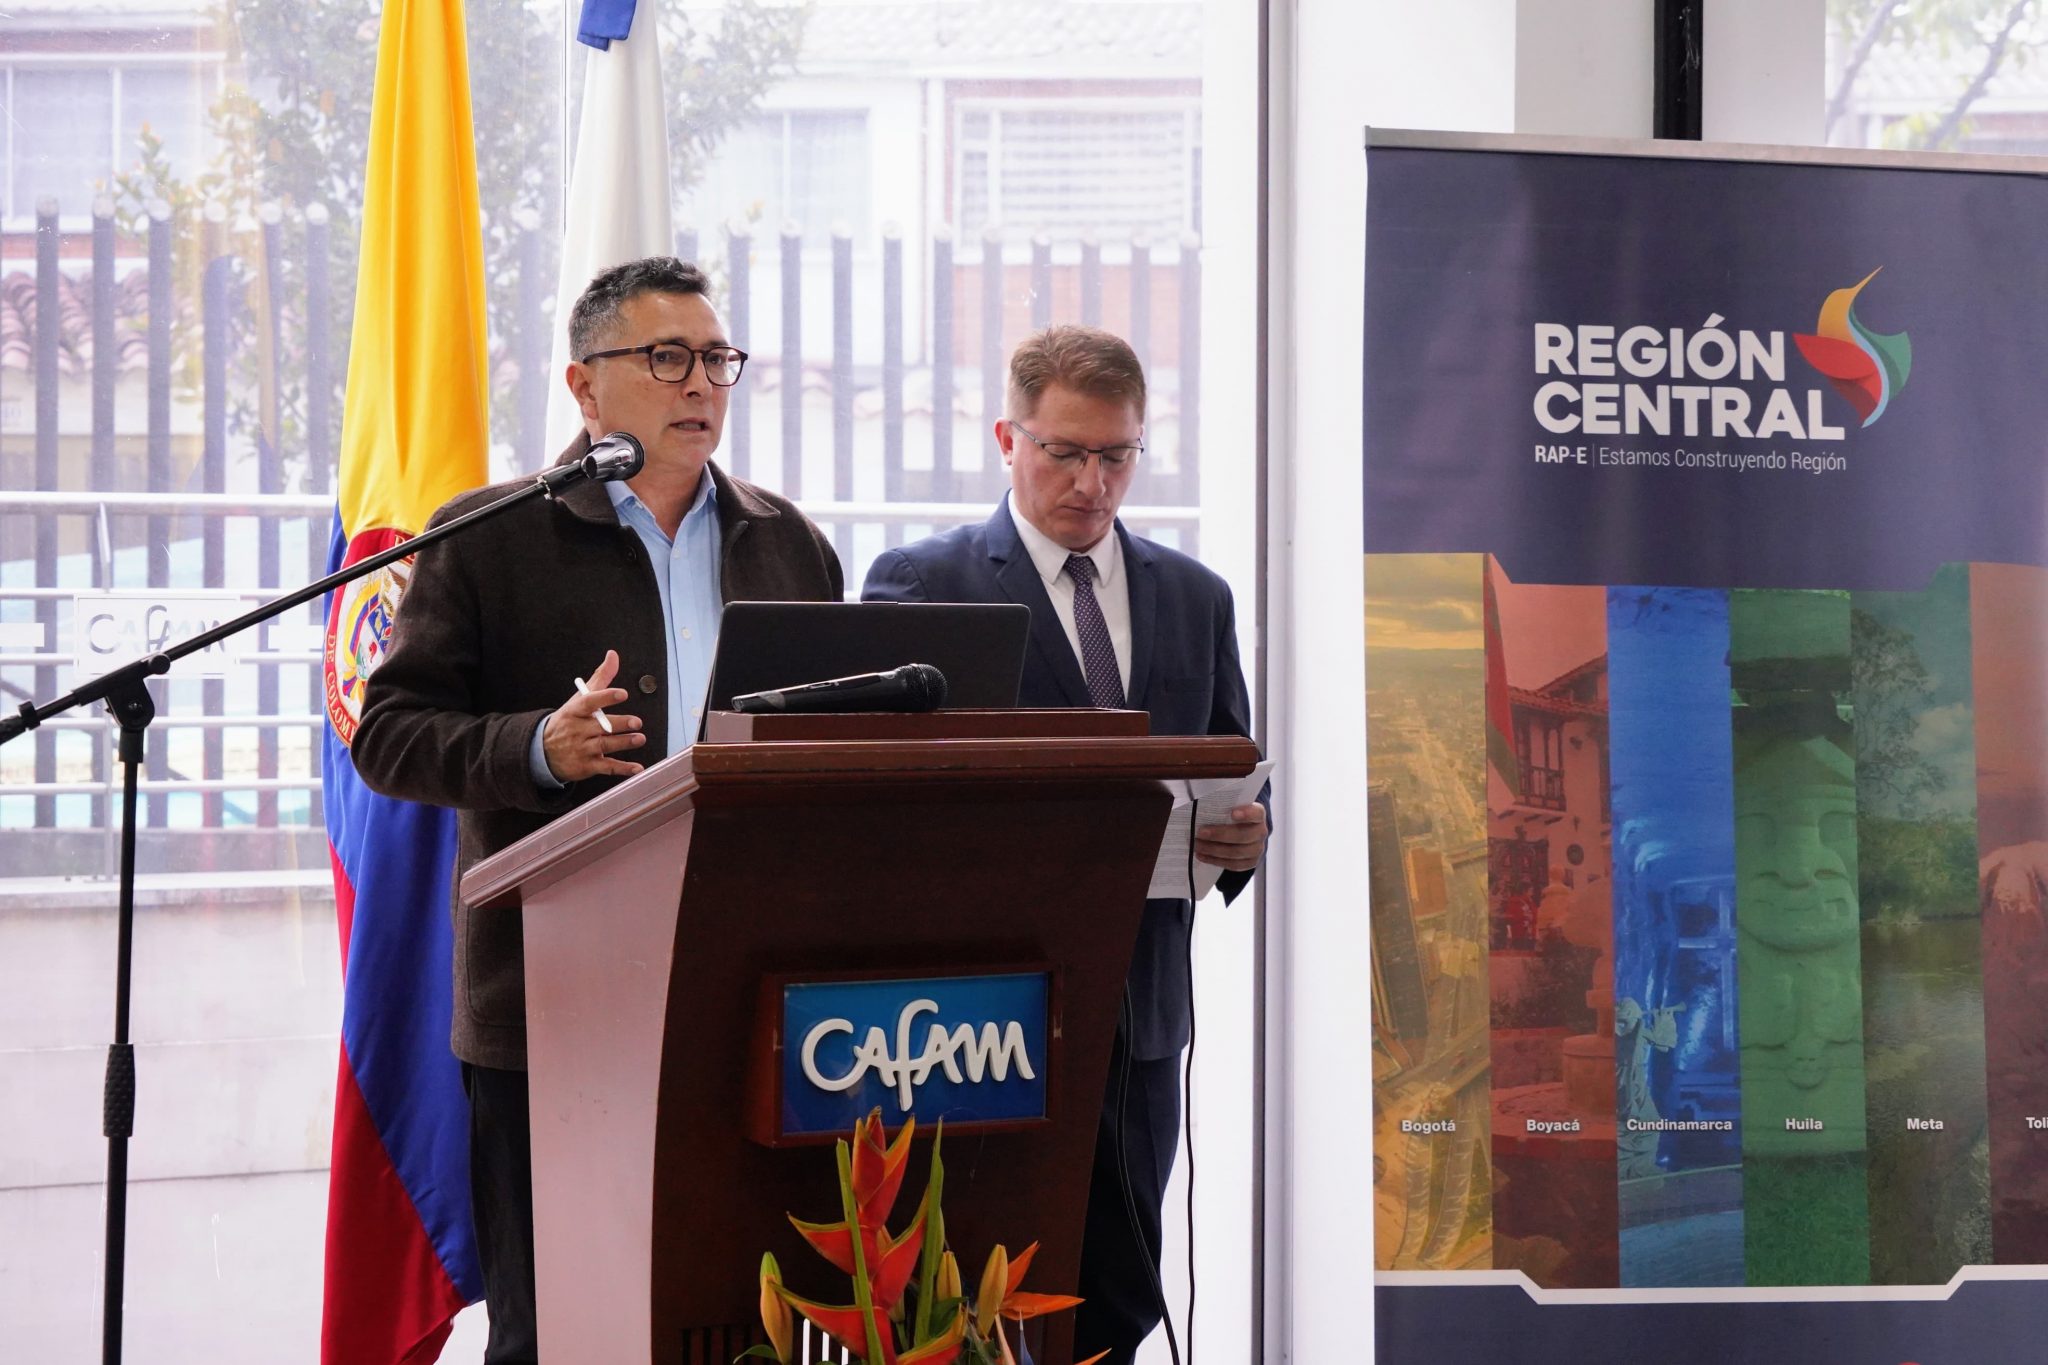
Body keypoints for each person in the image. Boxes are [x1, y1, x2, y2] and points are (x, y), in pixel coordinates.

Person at [351, 256, 842, 1364]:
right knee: (554, 1326)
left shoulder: (789, 542)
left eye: (715, 359)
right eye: (666, 358)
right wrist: (535, 746)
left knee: (736, 1314)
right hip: (552, 1000)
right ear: (583, 386)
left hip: (750, 996)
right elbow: (389, 735)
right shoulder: (487, 536)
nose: (700, 384)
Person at [862, 324, 1268, 1364]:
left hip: (1140, 1009)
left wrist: (1248, 834)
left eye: (1116, 456)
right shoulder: (925, 583)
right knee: (971, 1297)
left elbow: (1232, 760)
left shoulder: (1196, 596)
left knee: (1118, 1295)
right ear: (1008, 438)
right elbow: (880, 807)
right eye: (1065, 453)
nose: (1092, 484)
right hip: (976, 1016)